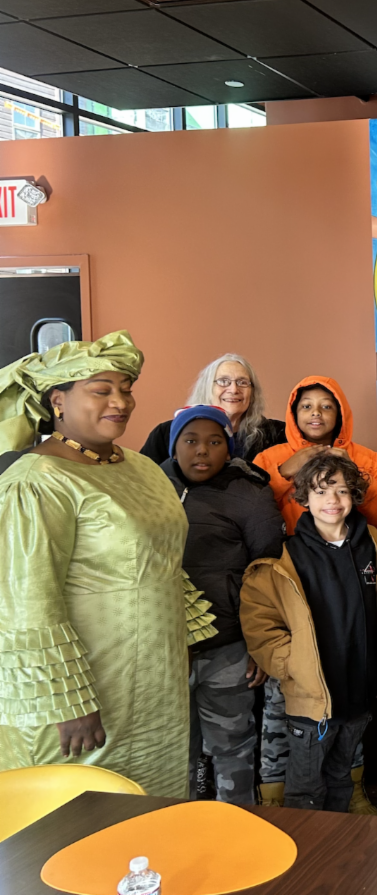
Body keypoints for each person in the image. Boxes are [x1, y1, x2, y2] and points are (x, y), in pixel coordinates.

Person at [0, 331, 216, 796]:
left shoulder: (138, 467)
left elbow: (163, 562)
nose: (120, 401)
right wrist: (67, 702)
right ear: (58, 400)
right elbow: (26, 603)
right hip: (85, 689)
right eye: (102, 390)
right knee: (82, 813)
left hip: (155, 681)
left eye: (126, 388)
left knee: (151, 809)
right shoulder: (37, 481)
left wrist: (184, 638)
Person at [241, 453, 377, 811]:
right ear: (303, 498)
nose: (332, 500)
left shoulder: (372, 542)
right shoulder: (288, 556)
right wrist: (293, 664)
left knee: (343, 775)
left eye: (342, 490)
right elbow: (262, 623)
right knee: (306, 786)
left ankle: (339, 850)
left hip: (359, 687)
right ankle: (309, 858)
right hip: (312, 698)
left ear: (354, 495)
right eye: (321, 491)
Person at [162, 405, 285, 805]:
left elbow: (268, 572)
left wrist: (260, 645)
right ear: (174, 445)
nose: (202, 451)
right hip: (163, 649)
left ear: (228, 449)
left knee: (231, 745)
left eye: (215, 442)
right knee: (175, 750)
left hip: (229, 647)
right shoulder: (150, 488)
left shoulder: (248, 493)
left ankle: (239, 828)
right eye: (191, 441)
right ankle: (182, 830)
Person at [255, 376, 377, 533]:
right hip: (286, 552)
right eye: (306, 406)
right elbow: (250, 512)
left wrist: (356, 475)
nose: (316, 413)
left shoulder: (370, 459)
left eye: (326, 407)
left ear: (340, 413)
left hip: (352, 551)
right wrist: (282, 472)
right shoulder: (267, 458)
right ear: (294, 414)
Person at [140, 353, 286, 464]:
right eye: (223, 381)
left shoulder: (277, 434)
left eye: (242, 382)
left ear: (253, 392)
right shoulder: (166, 434)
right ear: (207, 388)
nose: (234, 389)